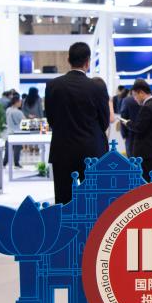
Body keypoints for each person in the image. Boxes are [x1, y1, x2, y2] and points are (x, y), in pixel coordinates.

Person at [44, 42, 111, 204]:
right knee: (94, 201)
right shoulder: (97, 87)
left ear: (68, 59)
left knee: (63, 200)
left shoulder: (53, 85)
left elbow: (51, 119)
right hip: (92, 151)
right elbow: (104, 122)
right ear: (88, 62)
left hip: (62, 151)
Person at [125, 79, 152, 182]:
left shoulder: (147, 107)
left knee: (146, 181)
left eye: (135, 95)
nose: (134, 99)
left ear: (141, 92)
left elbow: (139, 127)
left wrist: (128, 123)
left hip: (146, 150)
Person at [118, 88, 140, 156]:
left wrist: (123, 134)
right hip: (146, 136)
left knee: (131, 158)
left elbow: (123, 118)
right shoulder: (149, 101)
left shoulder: (127, 100)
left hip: (131, 135)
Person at [5, 94, 24, 167]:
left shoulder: (8, 110)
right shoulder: (19, 112)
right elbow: (24, 121)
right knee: (17, 149)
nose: (21, 103)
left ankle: (4, 162)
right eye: (20, 101)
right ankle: (16, 163)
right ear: (17, 102)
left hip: (9, 132)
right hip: (17, 132)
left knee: (8, 149)